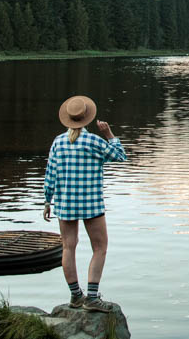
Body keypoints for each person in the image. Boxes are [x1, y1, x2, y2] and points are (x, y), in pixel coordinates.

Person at [43, 95, 127, 313]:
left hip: (65, 203)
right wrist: (109, 134)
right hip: (91, 204)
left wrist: (47, 201)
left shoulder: (58, 142)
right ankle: (92, 297)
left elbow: (50, 174)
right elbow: (120, 156)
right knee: (100, 248)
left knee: (68, 247)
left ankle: (75, 295)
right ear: (87, 118)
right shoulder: (94, 142)